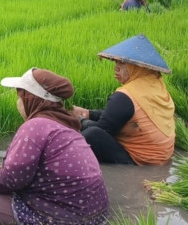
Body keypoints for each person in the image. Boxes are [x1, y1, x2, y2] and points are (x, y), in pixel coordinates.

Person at [0, 68, 109, 225]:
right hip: (96, 216)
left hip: (64, 223)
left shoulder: (35, 126)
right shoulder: (66, 127)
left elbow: (13, 178)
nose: (17, 102)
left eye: (19, 97)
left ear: (30, 99)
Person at [73, 34, 175, 165]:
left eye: (122, 63)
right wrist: (89, 113)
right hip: (162, 155)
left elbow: (102, 130)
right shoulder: (156, 86)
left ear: (137, 67)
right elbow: (119, 115)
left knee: (92, 134)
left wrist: (80, 120)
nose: (116, 68)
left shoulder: (126, 95)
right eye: (116, 62)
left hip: (139, 160)